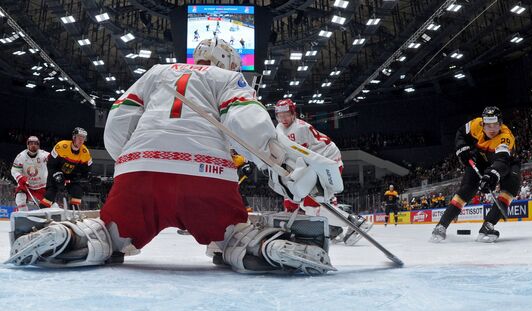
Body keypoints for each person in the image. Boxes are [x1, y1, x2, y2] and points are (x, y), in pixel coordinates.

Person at [8, 38, 342, 275]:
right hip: (208, 178)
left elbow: (119, 118)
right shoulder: (229, 77)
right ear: (228, 63)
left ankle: (74, 237)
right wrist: (279, 163)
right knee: (230, 232)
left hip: (140, 174)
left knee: (112, 232)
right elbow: (246, 122)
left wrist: (131, 160)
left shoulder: (156, 71)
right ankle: (260, 245)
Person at [274, 98, 371, 245]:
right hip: (320, 163)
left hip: (327, 163)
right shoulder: (283, 128)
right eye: (280, 116)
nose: (283, 118)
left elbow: (302, 157)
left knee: (311, 204)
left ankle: (355, 222)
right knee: (314, 202)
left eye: (286, 114)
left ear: (293, 114)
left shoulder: (299, 129)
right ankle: (333, 228)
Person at [431, 106, 521, 243]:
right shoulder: (475, 124)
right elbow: (461, 132)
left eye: (495, 125)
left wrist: (491, 176)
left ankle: (488, 225)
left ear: (501, 124)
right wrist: (461, 147)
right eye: (488, 125)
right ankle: (441, 226)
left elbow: (502, 161)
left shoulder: (505, 138)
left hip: (506, 162)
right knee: (466, 190)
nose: (491, 129)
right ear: (482, 124)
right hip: (480, 159)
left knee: (511, 186)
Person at [39, 128, 92, 210]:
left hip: (71, 177)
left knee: (77, 191)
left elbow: (87, 169)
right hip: (56, 172)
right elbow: (50, 164)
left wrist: (87, 178)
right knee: (49, 195)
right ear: (74, 137)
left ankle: (73, 213)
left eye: (83, 138)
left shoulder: (85, 152)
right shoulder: (61, 146)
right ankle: (42, 212)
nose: (81, 140)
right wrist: (56, 174)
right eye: (79, 137)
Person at [11, 136, 49, 211]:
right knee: (20, 198)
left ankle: (55, 215)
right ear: (27, 145)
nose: (33, 145)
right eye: (31, 143)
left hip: (41, 186)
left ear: (38, 145)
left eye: (35, 143)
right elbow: (14, 170)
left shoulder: (44, 155)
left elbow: (55, 163)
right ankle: (23, 216)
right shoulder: (21, 156)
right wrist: (20, 178)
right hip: (26, 185)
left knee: (51, 203)